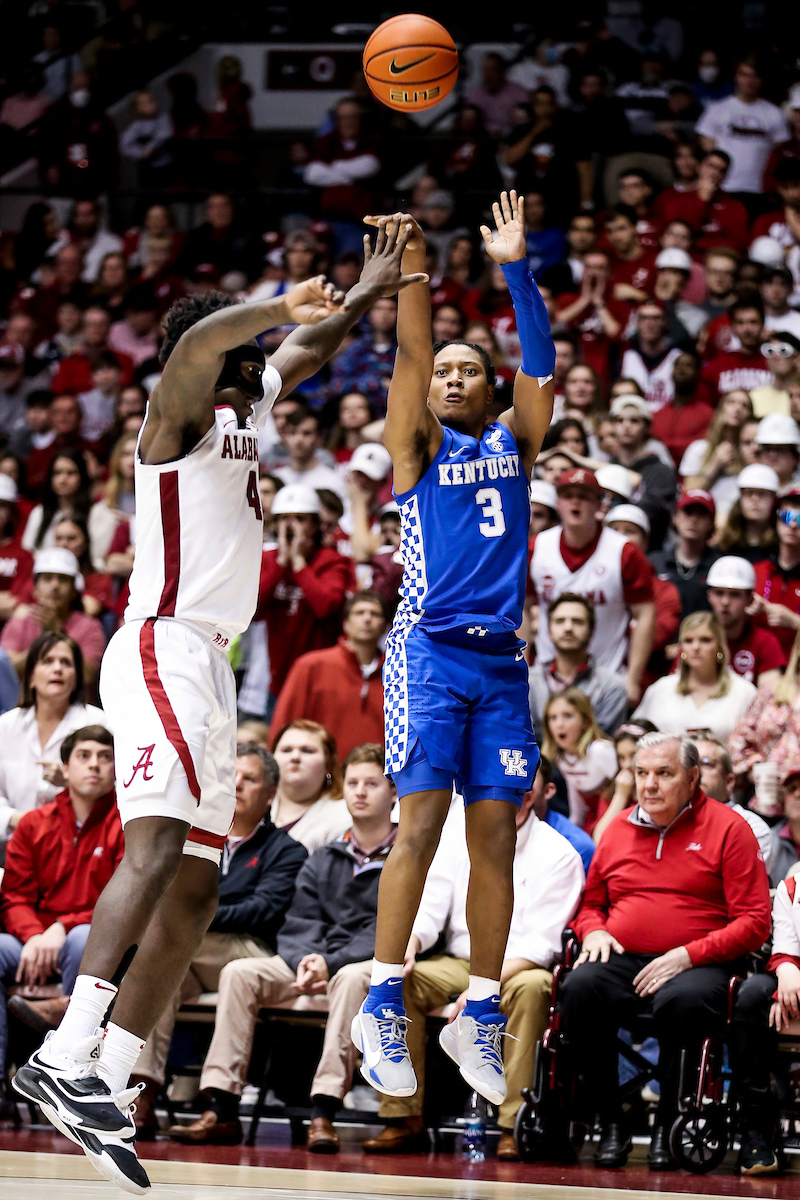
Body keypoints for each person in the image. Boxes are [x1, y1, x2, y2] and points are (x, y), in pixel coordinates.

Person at [11, 221, 419, 1190]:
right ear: (221, 353)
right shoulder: (177, 413)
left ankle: (107, 1074)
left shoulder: (242, 405)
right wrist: (280, 301)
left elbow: (306, 347)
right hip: (158, 644)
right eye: (248, 353)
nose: (258, 367)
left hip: (207, 665)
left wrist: (364, 291)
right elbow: (201, 345)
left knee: (195, 890)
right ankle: (65, 1052)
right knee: (152, 855)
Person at [351, 193, 554, 1109]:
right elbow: (410, 352)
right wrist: (417, 270)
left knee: (494, 844)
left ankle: (478, 1002)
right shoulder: (416, 448)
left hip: (502, 667)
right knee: (421, 825)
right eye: (450, 370)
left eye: (475, 368)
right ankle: (385, 995)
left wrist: (516, 268)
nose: (457, 376)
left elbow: (541, 366)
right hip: (428, 652)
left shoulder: (516, 445)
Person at [167, 744, 396, 1150]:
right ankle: (221, 1105)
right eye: (353, 783)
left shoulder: (404, 858)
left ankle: (324, 1111)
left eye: (372, 784)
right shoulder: (325, 855)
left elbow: (388, 928)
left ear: (394, 793)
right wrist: (306, 958)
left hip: (359, 965)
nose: (360, 792)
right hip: (306, 961)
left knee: (351, 978)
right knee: (240, 972)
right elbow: (296, 921)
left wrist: (328, 961)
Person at [561, 732, 770, 1170]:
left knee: (684, 1000)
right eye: (642, 774)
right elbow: (592, 903)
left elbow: (754, 921)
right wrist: (593, 931)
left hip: (700, 961)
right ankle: (612, 1119)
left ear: (693, 778)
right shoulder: (618, 829)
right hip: (623, 956)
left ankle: (668, 1125)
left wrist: (688, 954)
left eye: (663, 774)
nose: (649, 785)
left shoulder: (730, 830)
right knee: (578, 987)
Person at [365, 768, 584, 1158]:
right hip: (456, 958)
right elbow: (431, 905)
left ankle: (511, 1124)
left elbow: (543, 944)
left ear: (529, 798)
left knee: (534, 990)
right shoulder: (455, 834)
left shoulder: (559, 852)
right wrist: (410, 944)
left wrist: (482, 988)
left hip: (519, 967)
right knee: (405, 980)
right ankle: (403, 1115)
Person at [127, 743, 307, 1136]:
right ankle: (142, 1096)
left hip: (251, 949)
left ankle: (220, 1105)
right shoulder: (195, 843)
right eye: (231, 777)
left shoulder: (287, 850)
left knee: (165, 945)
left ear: (271, 794)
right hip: (197, 953)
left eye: (250, 778)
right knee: (157, 967)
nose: (238, 784)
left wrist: (194, 915)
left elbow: (262, 910)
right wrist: (187, 916)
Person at [0, 727, 121, 1068]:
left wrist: (62, 927)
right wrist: (35, 936)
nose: (94, 765)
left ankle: (70, 1067)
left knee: (84, 940)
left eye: (105, 757)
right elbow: (14, 896)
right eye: (84, 757)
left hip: (89, 936)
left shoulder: (128, 825)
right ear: (65, 769)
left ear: (117, 768)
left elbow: (121, 903)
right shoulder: (33, 824)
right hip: (32, 941)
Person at [530, 467, 656, 703]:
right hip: (547, 675)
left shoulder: (624, 552)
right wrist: (524, 665)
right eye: (568, 496)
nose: (575, 503)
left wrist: (632, 679)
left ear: (600, 505)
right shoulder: (537, 548)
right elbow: (522, 610)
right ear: (558, 503)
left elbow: (646, 613)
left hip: (606, 678)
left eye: (585, 496)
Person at [728, 839, 800, 1175]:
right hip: (795, 979)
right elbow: (785, 949)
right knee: (754, 994)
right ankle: (757, 1129)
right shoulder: (792, 886)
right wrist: (785, 977)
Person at [0, 632, 107, 848]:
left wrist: (70, 781)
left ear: (76, 677)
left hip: (79, 846)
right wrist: (19, 820)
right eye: (47, 661)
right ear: (30, 676)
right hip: (11, 844)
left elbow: (114, 793)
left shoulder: (99, 723)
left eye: (65, 662)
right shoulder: (5, 726)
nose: (57, 668)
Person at [256, 484, 354, 702]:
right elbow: (252, 611)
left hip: (323, 681)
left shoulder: (332, 561)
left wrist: (299, 563)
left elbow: (326, 608)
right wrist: (282, 562)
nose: (290, 526)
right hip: (278, 682)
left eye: (299, 519)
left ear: (316, 524)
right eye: (283, 519)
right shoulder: (269, 560)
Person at [270, 592, 386, 759]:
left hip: (379, 777)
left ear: (384, 626)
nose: (367, 619)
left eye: (375, 614)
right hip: (321, 778)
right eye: (359, 613)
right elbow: (284, 724)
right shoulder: (311, 666)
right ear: (346, 623)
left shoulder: (398, 674)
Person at [633, 611, 757, 740]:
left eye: (705, 640)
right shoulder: (660, 689)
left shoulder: (744, 692)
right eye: (688, 641)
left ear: (720, 647)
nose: (696, 647)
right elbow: (634, 734)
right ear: (681, 648)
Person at [528, 593, 627, 741]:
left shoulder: (612, 686)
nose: (568, 628)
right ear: (549, 632)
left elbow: (600, 740)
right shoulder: (528, 682)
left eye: (577, 622)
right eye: (560, 621)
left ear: (591, 633)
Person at [1, 548, 106, 686]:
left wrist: (57, 634)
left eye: (63, 580)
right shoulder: (19, 622)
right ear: (35, 589)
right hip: (23, 703)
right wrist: (46, 640)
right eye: (47, 579)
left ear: (74, 591)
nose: (55, 585)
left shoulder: (90, 627)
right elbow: (6, 674)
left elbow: (87, 676)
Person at [604, 505, 682, 686]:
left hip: (641, 686)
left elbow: (655, 636)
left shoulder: (664, 591)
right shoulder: (588, 580)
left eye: (630, 531)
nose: (620, 536)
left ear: (645, 542)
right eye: (614, 530)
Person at [696, 57, 789, 204]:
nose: (749, 80)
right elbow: (708, 149)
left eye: (754, 76)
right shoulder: (717, 109)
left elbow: (779, 151)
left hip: (760, 190)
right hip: (723, 188)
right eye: (744, 75)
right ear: (736, 77)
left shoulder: (774, 113)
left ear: (761, 79)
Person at [691, 732, 772, 872]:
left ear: (729, 781)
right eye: (690, 764)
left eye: (706, 763)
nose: (696, 771)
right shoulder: (669, 820)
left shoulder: (752, 827)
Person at [541, 688, 617, 835]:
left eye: (567, 716)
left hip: (615, 813)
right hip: (592, 818)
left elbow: (627, 788)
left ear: (585, 721)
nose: (559, 724)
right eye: (553, 718)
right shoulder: (560, 757)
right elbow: (577, 808)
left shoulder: (599, 750)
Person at [607, 394, 676, 549]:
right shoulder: (606, 467)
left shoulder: (661, 472)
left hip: (651, 551)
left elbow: (654, 514)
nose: (626, 426)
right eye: (619, 420)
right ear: (612, 426)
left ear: (646, 427)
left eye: (634, 421)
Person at [270, 719, 350, 853]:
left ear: (328, 764)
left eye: (307, 751)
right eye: (286, 750)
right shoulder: (253, 802)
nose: (295, 757)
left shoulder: (343, 815)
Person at [706, 556, 785, 686]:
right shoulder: (694, 638)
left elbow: (770, 698)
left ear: (750, 599)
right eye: (719, 593)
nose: (725, 602)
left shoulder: (765, 642)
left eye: (735, 595)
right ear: (709, 596)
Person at [679, 389, 755, 516]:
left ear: (750, 414)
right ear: (721, 409)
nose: (737, 408)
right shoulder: (699, 449)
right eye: (731, 402)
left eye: (744, 405)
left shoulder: (752, 451)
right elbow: (689, 493)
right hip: (703, 516)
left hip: (738, 518)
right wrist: (715, 463)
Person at [651, 490, 719, 618]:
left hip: (703, 635)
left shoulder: (719, 566)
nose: (693, 520)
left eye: (701, 515)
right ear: (675, 517)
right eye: (688, 513)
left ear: (711, 522)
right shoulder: (655, 562)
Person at [752, 485, 800, 655]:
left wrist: (795, 622)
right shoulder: (755, 572)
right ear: (775, 521)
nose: (793, 524)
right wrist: (744, 612)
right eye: (786, 516)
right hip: (755, 664)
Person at [702, 300, 775, 406]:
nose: (747, 329)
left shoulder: (775, 362)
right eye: (740, 323)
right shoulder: (716, 367)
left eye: (753, 322)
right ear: (732, 327)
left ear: (763, 324)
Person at [650, 351, 715, 469]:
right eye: (678, 365)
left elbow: (704, 448)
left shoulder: (707, 414)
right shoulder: (657, 415)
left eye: (688, 366)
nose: (682, 369)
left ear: (698, 374)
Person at [717, 462, 780, 562]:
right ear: (740, 498)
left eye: (762, 494)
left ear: (773, 499)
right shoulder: (726, 544)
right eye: (749, 493)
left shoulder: (781, 547)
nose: (755, 500)